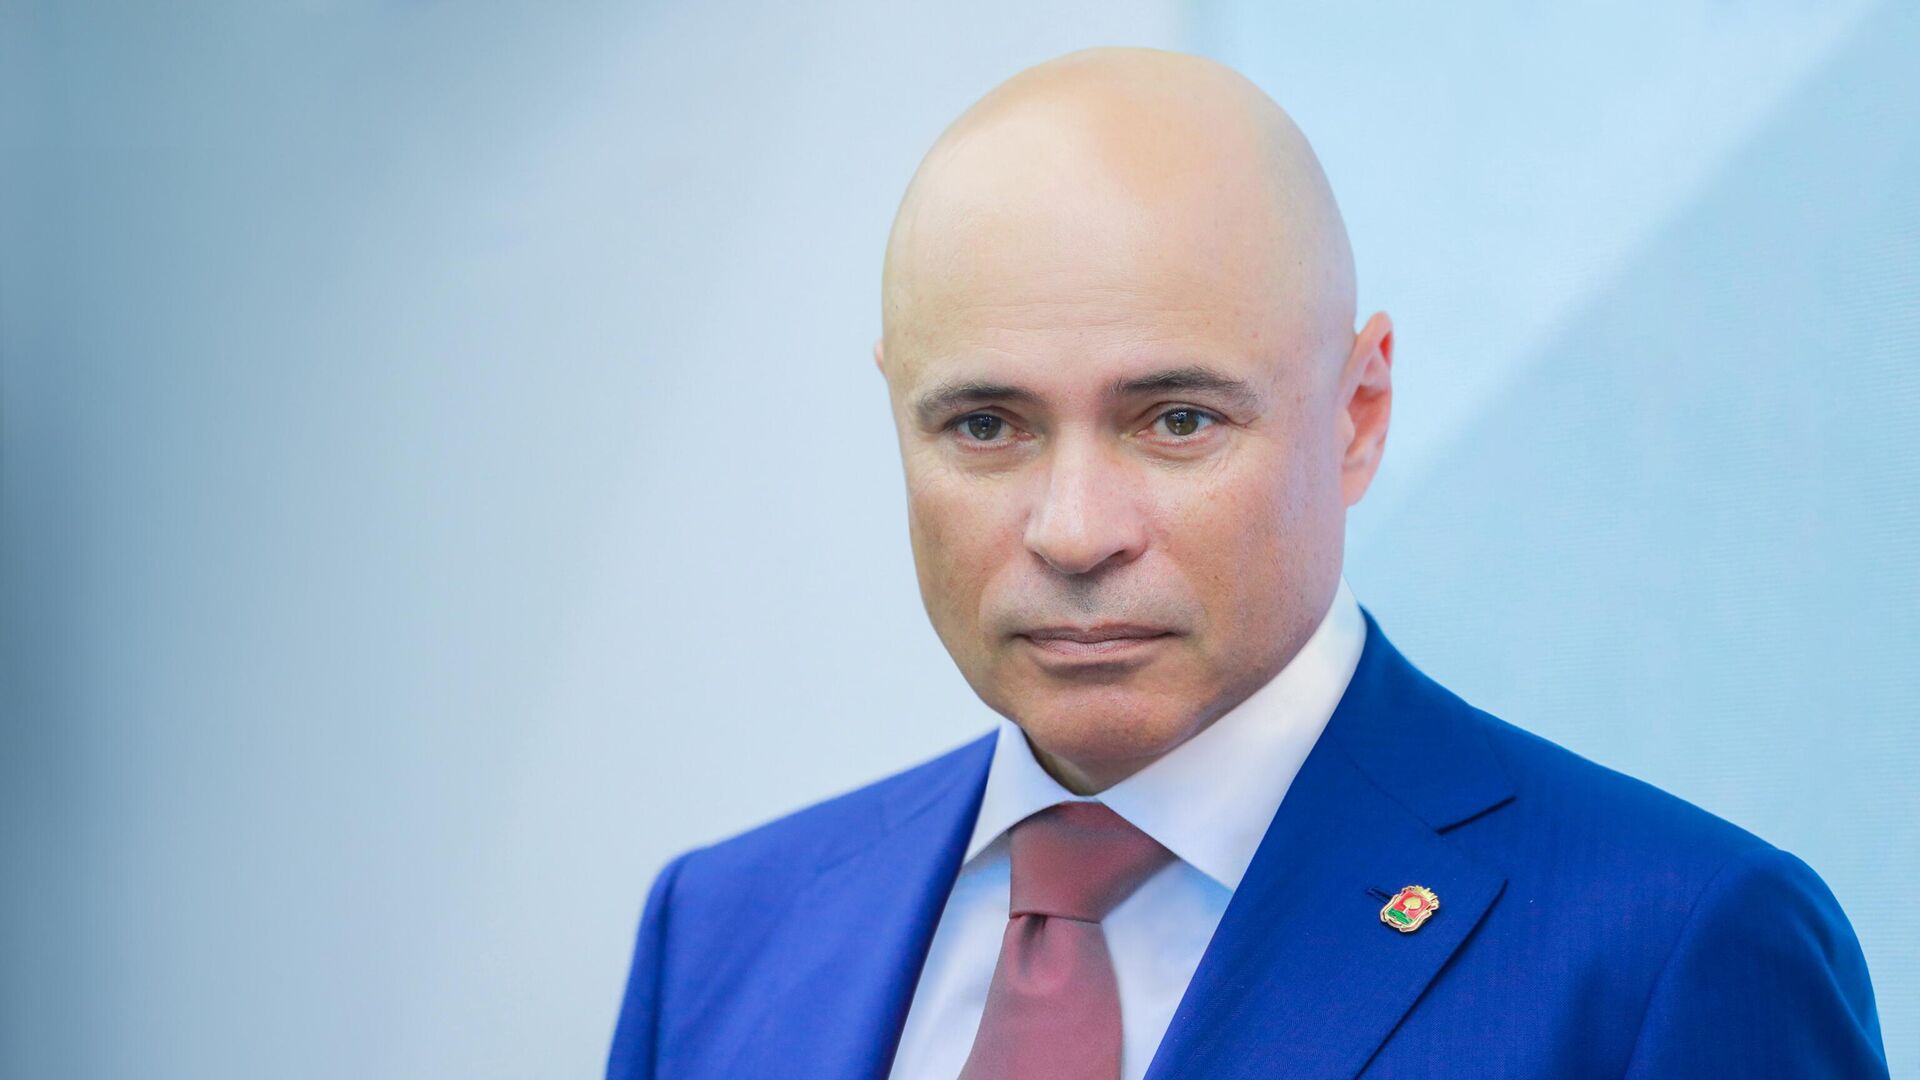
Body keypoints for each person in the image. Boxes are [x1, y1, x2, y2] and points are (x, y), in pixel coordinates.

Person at [605, 46, 1888, 1079]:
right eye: (986, 426)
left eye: (1177, 420)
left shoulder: (1672, 949)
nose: (1074, 530)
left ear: (1357, 415)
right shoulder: (722, 933)